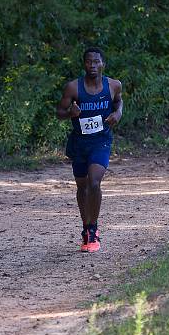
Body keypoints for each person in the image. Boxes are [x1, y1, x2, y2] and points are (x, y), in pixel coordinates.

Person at [56, 47, 123, 252]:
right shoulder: (73, 88)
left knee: (94, 182)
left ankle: (93, 230)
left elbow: (119, 102)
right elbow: (59, 112)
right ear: (84, 64)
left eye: (96, 62)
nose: (92, 66)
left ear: (103, 64)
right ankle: (86, 228)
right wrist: (70, 113)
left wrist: (118, 113)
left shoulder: (113, 85)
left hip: (101, 141)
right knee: (82, 187)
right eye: (88, 62)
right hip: (80, 143)